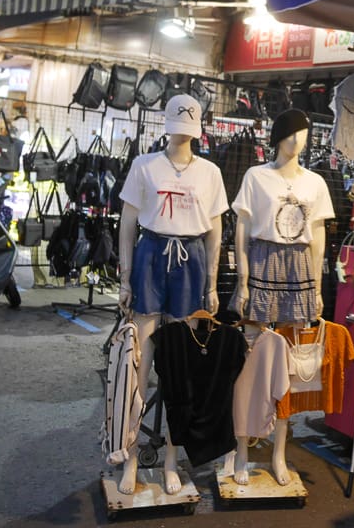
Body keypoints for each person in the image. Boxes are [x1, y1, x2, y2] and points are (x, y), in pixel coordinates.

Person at [116, 94, 228, 495]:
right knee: (140, 365)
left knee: (180, 367)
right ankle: (129, 456)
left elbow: (215, 230)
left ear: (197, 126)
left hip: (191, 259)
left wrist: (213, 283)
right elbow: (127, 223)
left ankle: (170, 459)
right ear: (166, 123)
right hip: (150, 254)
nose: (182, 129)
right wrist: (126, 277)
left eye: (189, 122)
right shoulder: (144, 165)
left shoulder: (210, 172)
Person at [230, 108, 335, 486]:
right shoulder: (256, 176)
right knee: (251, 359)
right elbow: (242, 228)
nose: (298, 140)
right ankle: (241, 448)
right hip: (262, 259)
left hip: (300, 267)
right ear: (279, 136)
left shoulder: (315, 182)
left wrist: (319, 286)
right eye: (292, 133)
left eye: (303, 133)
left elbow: (319, 233)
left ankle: (278, 452)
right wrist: (243, 279)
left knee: (290, 363)